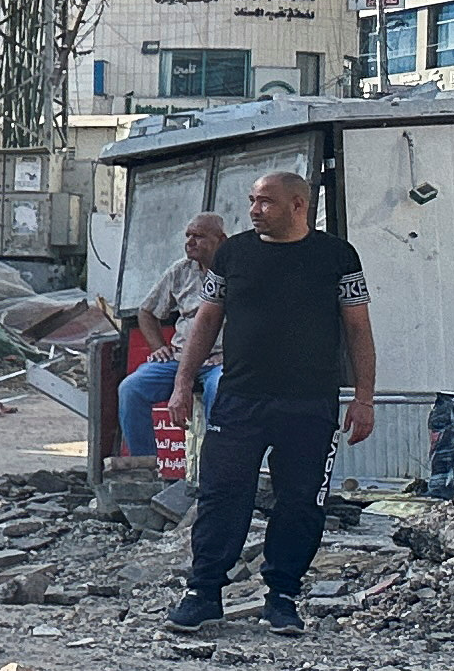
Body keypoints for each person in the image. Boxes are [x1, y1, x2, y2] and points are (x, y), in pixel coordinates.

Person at [161, 168, 376, 637]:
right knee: (221, 495)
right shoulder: (233, 254)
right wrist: (182, 382)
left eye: (265, 202)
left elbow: (358, 329)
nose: (254, 211)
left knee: (300, 502)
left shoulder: (337, 256)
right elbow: (206, 322)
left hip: (310, 404)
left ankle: (282, 596)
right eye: (252, 201)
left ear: (299, 205)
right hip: (240, 398)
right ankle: (203, 593)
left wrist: (364, 398)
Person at [115, 213, 226, 468]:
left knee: (220, 389)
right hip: (180, 358)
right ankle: (144, 466)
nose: (190, 242)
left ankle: (215, 468)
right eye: (188, 235)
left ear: (220, 240)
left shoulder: (236, 270)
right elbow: (146, 311)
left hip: (220, 360)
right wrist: (158, 347)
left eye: (198, 236)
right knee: (131, 388)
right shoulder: (180, 271)